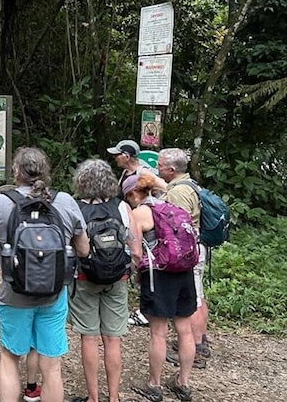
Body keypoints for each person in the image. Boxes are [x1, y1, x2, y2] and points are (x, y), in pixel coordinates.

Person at [0, 147, 89, 402]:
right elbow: (83, 250)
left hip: (14, 294)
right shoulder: (64, 201)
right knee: (51, 367)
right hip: (53, 295)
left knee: (9, 357)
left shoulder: (0, 202)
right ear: (46, 172)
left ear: (16, 172)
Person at [69, 159, 139, 402]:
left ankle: (93, 397)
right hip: (117, 278)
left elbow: (73, 247)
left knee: (89, 337)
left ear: (81, 182)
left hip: (85, 277)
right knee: (112, 339)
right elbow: (136, 249)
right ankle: (114, 397)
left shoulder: (75, 208)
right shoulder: (122, 208)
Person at [125, 173, 196, 402]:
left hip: (160, 276)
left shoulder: (140, 213)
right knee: (185, 329)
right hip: (184, 272)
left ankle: (154, 385)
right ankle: (183, 383)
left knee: (158, 332)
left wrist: (136, 275)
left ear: (134, 193)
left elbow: (135, 251)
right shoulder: (170, 206)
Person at [158, 148, 210, 369]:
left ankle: (196, 348)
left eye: (160, 165)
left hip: (186, 252)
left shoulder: (178, 192)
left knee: (193, 301)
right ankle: (200, 339)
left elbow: (177, 226)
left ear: (171, 169)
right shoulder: (190, 184)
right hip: (196, 248)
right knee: (197, 295)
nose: (157, 168)